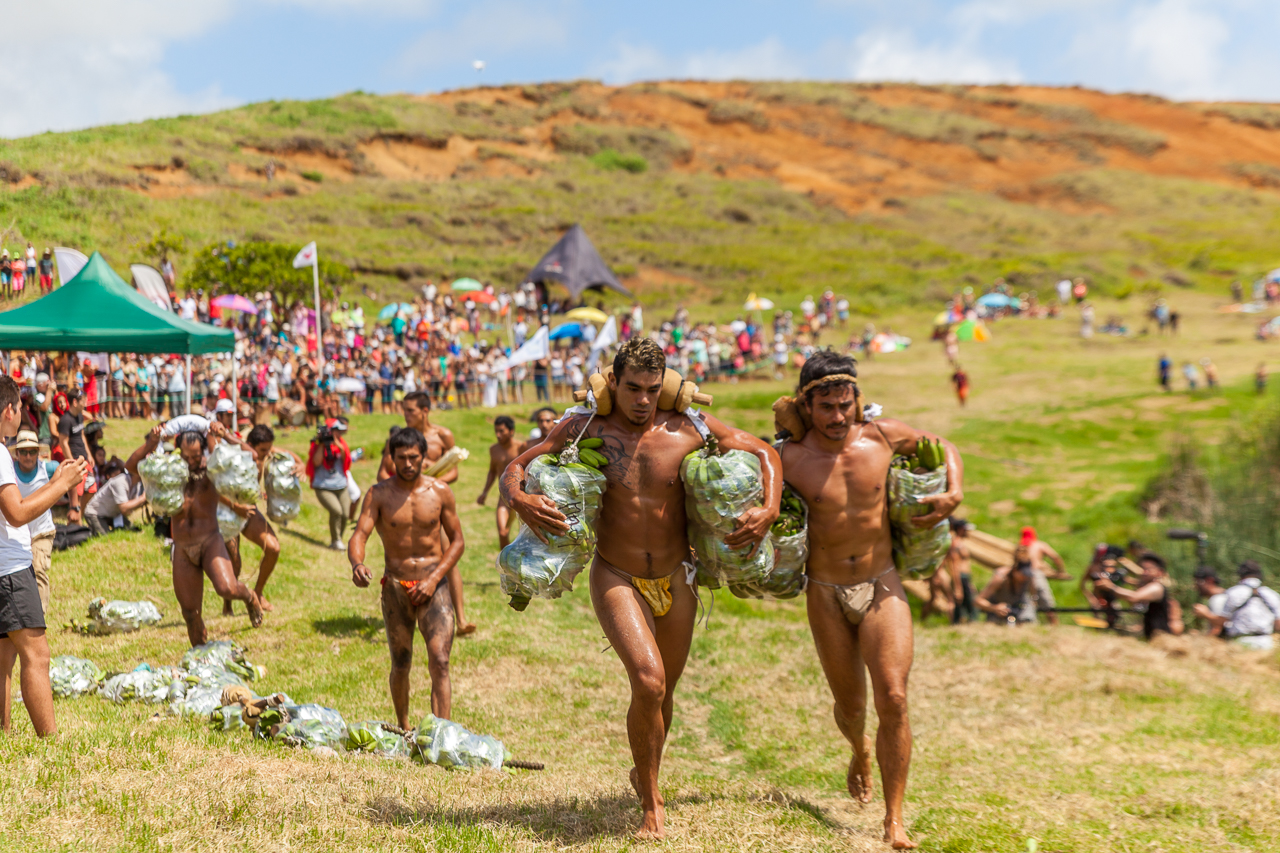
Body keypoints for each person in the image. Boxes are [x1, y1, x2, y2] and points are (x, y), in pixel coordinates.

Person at [503, 337, 782, 840]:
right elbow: (517, 465)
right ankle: (652, 803)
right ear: (614, 382)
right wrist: (519, 498)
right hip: (617, 574)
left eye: (652, 390)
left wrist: (770, 508)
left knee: (663, 693)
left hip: (679, 575)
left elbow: (763, 450)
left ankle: (644, 772)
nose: (642, 400)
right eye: (632, 388)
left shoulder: (689, 426)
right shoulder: (585, 427)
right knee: (649, 681)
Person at [778, 350, 962, 850]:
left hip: (882, 583)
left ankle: (894, 819)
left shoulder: (882, 436)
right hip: (825, 591)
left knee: (894, 697)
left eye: (845, 404)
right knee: (851, 705)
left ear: (857, 399)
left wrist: (954, 491)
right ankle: (858, 748)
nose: (838, 416)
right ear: (806, 406)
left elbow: (943, 444)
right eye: (826, 407)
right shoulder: (789, 457)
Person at [348, 428, 464, 729]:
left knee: (440, 661)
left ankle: (442, 732)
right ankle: (403, 726)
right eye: (401, 458)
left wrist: (434, 579)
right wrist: (357, 563)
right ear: (392, 458)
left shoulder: (440, 491)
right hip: (396, 588)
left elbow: (457, 541)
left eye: (414, 457)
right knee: (400, 663)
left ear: (424, 456)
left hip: (434, 585)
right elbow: (360, 534)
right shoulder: (379, 494)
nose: (408, 464)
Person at [0, 378, 88, 738]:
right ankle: (50, 743)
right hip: (10, 569)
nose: (21, 414)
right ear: (9, 410)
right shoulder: (0, 454)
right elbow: (17, 513)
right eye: (20, 408)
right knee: (37, 655)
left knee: (4, 658)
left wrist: (56, 482)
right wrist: (62, 485)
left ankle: (4, 734)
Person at [129, 422, 263, 645]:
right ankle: (200, 656)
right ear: (178, 450)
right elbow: (132, 466)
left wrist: (225, 435)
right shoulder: (170, 470)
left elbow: (252, 456)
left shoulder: (212, 468)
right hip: (182, 546)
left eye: (196, 457)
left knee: (227, 588)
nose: (191, 462)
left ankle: (249, 596)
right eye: (186, 457)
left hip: (210, 540)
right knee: (190, 613)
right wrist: (152, 442)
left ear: (203, 452)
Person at [377, 390, 474, 635]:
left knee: (448, 557)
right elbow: (383, 471)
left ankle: (461, 619)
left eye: (410, 411)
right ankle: (402, 613)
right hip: (404, 504)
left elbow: (453, 471)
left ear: (425, 411)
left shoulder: (442, 435)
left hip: (434, 506)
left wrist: (431, 483)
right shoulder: (399, 438)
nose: (406, 415)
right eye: (404, 410)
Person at [221, 425, 298, 615]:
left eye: (268, 449)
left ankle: (258, 592)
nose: (266, 454)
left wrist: (301, 464)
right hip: (229, 512)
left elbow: (288, 454)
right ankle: (227, 605)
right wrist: (235, 507)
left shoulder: (266, 452)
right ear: (249, 445)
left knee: (273, 548)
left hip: (250, 511)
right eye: (263, 450)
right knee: (235, 564)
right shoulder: (233, 456)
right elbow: (215, 487)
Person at [11, 430, 61, 610]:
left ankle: (40, 616)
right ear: (17, 453)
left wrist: (74, 506)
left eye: (32, 451)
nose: (28, 456)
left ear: (38, 453)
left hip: (42, 531)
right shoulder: (9, 472)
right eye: (23, 452)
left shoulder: (49, 469)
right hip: (17, 535)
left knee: (38, 569)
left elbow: (69, 478)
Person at [1093, 552, 1182, 640]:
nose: (1144, 572)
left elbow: (1134, 597)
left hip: (1161, 638)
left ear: (1160, 572)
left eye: (1148, 569)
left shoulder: (1157, 587)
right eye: (1143, 569)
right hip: (1154, 638)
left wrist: (1111, 587)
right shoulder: (1149, 586)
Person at [1200, 561, 1280, 650]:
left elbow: (1221, 622)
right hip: (1266, 643)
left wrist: (1205, 614)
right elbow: (1278, 625)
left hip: (1240, 642)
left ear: (1240, 575)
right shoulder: (1272, 594)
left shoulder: (1233, 592)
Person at [307, 419, 353, 550]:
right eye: (336, 430)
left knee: (345, 514)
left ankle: (338, 539)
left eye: (339, 431)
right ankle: (336, 540)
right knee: (336, 511)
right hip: (323, 486)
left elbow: (347, 460)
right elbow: (316, 462)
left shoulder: (341, 444)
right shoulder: (317, 445)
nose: (338, 433)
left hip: (341, 485)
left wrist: (338, 445)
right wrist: (323, 444)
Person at [476, 415, 520, 549]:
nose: (498, 435)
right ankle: (505, 560)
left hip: (523, 495)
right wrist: (485, 492)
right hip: (505, 496)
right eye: (496, 431)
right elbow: (492, 471)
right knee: (502, 532)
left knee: (528, 536)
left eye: (501, 431)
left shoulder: (521, 447)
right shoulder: (494, 449)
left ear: (511, 431)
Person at [976, 546, 1050, 626]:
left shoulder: (1029, 578)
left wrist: (1033, 603)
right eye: (1023, 574)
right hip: (999, 614)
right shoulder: (1001, 577)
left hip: (1020, 610)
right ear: (1015, 571)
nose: (1025, 578)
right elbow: (978, 601)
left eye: (1027, 575)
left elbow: (1033, 595)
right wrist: (995, 608)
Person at [82, 457, 145, 536]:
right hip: (95, 514)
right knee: (105, 537)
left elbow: (128, 511)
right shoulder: (120, 481)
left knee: (134, 530)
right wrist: (143, 498)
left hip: (114, 515)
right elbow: (124, 508)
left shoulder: (137, 484)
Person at [56, 389, 91, 524]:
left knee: (91, 488)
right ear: (75, 402)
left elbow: (82, 436)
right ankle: (74, 525)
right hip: (75, 459)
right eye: (83, 401)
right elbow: (63, 443)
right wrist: (72, 462)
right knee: (76, 496)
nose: (85, 403)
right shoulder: (65, 420)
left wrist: (89, 455)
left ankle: (79, 517)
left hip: (84, 459)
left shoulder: (79, 416)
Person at [947, 518, 977, 624]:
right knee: (966, 603)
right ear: (960, 529)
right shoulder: (955, 544)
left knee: (964, 602)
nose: (968, 532)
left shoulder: (960, 543)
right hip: (960, 577)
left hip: (965, 577)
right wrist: (957, 587)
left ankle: (961, 622)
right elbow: (954, 566)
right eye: (966, 530)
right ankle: (965, 622)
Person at [1190, 566, 1228, 636]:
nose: (1196, 586)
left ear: (1209, 581)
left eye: (1198, 582)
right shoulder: (1222, 596)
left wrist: (1205, 614)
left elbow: (1218, 627)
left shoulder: (1217, 599)